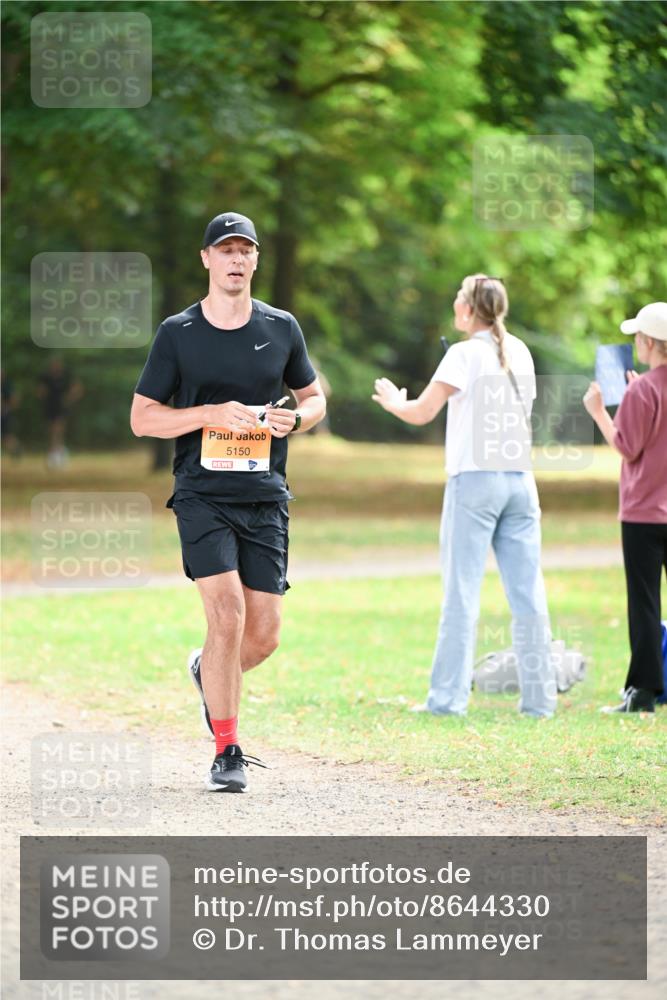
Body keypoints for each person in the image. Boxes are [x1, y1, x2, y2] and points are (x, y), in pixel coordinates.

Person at [130, 212, 326, 792]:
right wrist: (210, 414)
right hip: (202, 495)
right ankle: (227, 751)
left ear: (256, 261)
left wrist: (300, 419)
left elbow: (314, 398)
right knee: (227, 615)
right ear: (207, 259)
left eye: (246, 250)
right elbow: (143, 418)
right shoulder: (178, 333)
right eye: (226, 250)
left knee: (262, 636)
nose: (237, 259)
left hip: (264, 496)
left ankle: (206, 672)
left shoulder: (282, 327)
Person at [372, 273, 556, 718]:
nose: (455, 303)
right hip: (520, 482)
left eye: (459, 298)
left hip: (474, 482)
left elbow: (422, 411)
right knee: (529, 594)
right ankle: (539, 702)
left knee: (461, 593)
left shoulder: (462, 353)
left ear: (470, 310)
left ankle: (447, 701)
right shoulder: (521, 351)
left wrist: (395, 401)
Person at [583, 301, 667, 713]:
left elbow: (626, 446)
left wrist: (600, 413)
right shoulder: (644, 388)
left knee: (646, 602)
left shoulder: (641, 390)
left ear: (649, 342)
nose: (636, 342)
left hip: (643, 514)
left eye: (638, 337)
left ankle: (645, 692)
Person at [37, 357, 83, 468]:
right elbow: (40, 392)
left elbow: (78, 389)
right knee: (53, 431)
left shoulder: (66, 377)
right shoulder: (46, 377)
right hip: (50, 407)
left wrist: (69, 398)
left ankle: (55, 455)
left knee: (57, 430)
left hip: (61, 408)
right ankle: (57, 453)